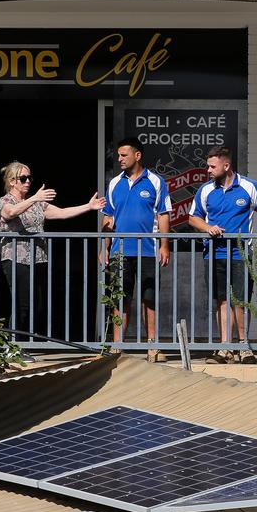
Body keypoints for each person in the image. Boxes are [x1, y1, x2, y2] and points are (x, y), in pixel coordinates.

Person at [188, 146, 257, 364]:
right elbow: (193, 218)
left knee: (241, 301)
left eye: (212, 166)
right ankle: (225, 348)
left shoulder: (250, 187)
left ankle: (244, 348)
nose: (208, 170)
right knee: (222, 301)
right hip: (214, 254)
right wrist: (208, 227)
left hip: (241, 254)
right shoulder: (206, 190)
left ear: (226, 166)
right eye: (208, 166)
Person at [0, 161, 104, 339]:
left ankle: (24, 342)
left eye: (29, 178)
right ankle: (14, 345)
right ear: (12, 181)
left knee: (37, 304)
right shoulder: (7, 200)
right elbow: (9, 213)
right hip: (16, 258)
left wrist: (88, 206)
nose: (27, 182)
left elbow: (61, 213)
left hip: (38, 258)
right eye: (23, 178)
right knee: (22, 304)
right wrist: (35, 198)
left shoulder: (36, 203)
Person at [101, 138, 171, 361]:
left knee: (149, 298)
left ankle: (153, 345)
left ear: (137, 155)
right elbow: (108, 218)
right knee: (120, 298)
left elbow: (163, 215)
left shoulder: (156, 181)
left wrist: (164, 245)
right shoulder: (114, 183)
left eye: (123, 155)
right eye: (118, 155)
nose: (119, 159)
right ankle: (117, 345)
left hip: (149, 250)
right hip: (119, 252)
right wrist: (105, 248)